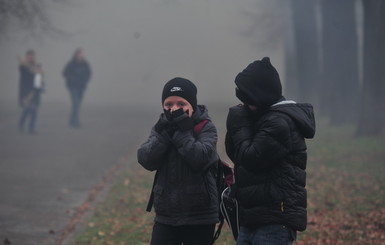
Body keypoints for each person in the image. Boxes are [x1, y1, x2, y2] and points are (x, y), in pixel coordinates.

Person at [225, 57, 316, 245]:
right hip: (254, 216)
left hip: (275, 220)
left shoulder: (279, 123)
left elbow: (250, 158)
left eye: (247, 98)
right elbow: (237, 155)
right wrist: (240, 124)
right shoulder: (263, 118)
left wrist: (240, 123)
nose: (245, 104)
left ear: (260, 95)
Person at [137, 77, 220, 245]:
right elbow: (145, 159)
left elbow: (200, 158)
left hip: (200, 214)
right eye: (169, 105)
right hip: (166, 214)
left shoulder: (205, 127)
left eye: (181, 104)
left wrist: (182, 131)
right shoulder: (161, 128)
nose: (174, 109)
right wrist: (164, 135)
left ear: (192, 105)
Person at [62, 48, 91, 128]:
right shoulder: (71, 64)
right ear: (76, 55)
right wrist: (71, 79)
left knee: (77, 104)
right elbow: (64, 73)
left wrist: (85, 81)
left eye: (82, 54)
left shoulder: (85, 64)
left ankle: (71, 120)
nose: (81, 55)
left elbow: (89, 74)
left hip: (81, 87)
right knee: (76, 103)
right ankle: (76, 121)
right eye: (79, 54)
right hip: (73, 86)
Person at [18, 50, 44, 134]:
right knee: (28, 109)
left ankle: (31, 128)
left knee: (34, 109)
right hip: (26, 90)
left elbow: (39, 77)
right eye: (29, 56)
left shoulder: (37, 66)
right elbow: (25, 73)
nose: (30, 58)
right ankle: (22, 124)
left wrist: (40, 86)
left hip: (35, 90)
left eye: (32, 56)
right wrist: (33, 70)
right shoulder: (23, 67)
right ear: (26, 57)